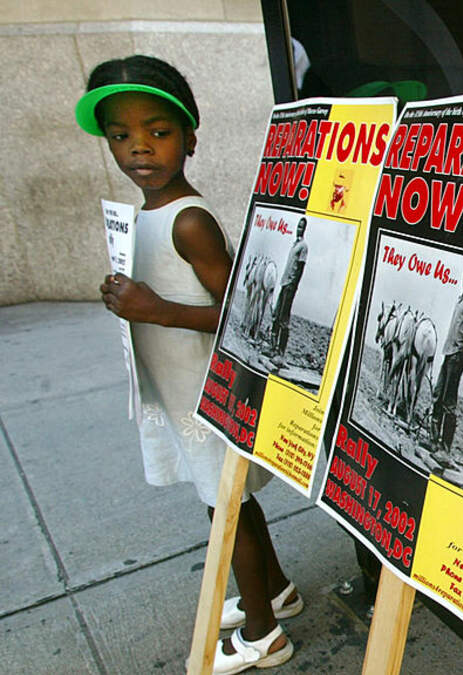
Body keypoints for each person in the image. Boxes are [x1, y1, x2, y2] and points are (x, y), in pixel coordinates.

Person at [79, 55, 301, 674]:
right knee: (228, 502)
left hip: (209, 393)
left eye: (158, 131)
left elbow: (243, 315)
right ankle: (274, 592)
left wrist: (156, 309)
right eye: (120, 135)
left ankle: (263, 634)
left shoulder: (190, 221)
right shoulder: (144, 217)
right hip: (179, 389)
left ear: (190, 138)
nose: (139, 147)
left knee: (225, 507)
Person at [428, 260, 463, 468]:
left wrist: (462, 360)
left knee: (449, 402)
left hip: (456, 357)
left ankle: (445, 449)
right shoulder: (461, 300)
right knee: (438, 395)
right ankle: (433, 441)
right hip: (448, 353)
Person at [268, 216, 308, 370]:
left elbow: (300, 269)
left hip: (290, 286)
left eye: (301, 227)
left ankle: (281, 354)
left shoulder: (303, 247)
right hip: (284, 283)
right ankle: (273, 349)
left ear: (304, 229)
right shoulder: (294, 245)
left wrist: (293, 286)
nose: (299, 229)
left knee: (284, 319)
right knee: (277, 315)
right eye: (298, 226)